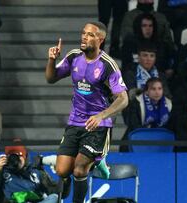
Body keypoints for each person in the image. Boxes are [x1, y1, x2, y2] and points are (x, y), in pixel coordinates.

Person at [45, 22, 128, 202]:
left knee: (80, 168)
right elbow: (51, 78)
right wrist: (52, 59)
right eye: (83, 33)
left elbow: (123, 99)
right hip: (75, 121)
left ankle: (93, 165)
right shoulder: (74, 57)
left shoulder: (108, 65)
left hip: (97, 125)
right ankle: (97, 161)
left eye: (90, 35)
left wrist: (101, 115)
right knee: (61, 170)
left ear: (100, 39)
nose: (84, 37)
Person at [0, 143, 64, 203]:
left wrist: (64, 177)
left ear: (25, 157)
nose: (15, 161)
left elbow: (57, 193)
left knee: (54, 197)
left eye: (18, 156)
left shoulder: (35, 170)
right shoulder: (1, 172)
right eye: (12, 157)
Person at [120, 78, 172, 152]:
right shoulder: (136, 103)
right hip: (138, 138)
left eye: (159, 89)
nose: (157, 92)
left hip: (160, 139)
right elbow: (134, 125)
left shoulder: (169, 104)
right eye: (153, 89)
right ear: (147, 91)